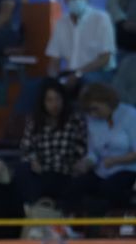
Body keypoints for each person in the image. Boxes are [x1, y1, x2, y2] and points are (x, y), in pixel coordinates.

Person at [77, 83, 136, 214]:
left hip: (131, 168)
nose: (93, 114)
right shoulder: (92, 120)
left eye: (96, 109)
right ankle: (81, 228)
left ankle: (118, 224)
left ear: (107, 102)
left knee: (110, 188)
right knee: (79, 184)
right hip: (103, 170)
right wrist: (87, 162)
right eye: (89, 110)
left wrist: (115, 160)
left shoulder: (132, 116)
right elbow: (93, 152)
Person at [17, 80, 87, 209]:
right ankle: (33, 209)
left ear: (63, 100)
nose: (54, 104)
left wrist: (78, 162)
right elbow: (26, 147)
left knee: (78, 181)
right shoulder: (34, 120)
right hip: (41, 171)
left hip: (65, 171)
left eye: (57, 99)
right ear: (43, 102)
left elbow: (82, 146)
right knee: (22, 171)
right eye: (49, 100)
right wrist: (33, 160)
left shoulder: (75, 119)